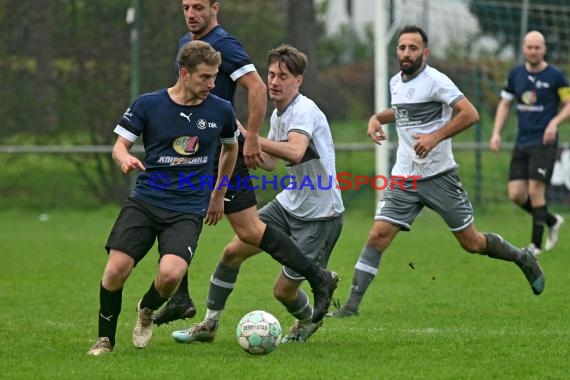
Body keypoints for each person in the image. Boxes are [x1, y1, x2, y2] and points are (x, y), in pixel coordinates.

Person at [328, 25, 546, 319]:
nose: (406, 53)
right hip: (404, 176)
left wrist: (434, 138)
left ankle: (522, 257)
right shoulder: (395, 82)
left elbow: (470, 114)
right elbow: (402, 110)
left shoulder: (436, 81)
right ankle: (351, 306)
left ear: (425, 53)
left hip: (440, 177)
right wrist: (376, 117)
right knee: (378, 234)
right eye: (402, 47)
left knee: (472, 243)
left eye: (413, 48)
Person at [153, 0, 338, 327]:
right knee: (205, 233)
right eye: (186, 7)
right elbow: (268, 163)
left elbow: (291, 148)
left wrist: (248, 137)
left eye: (198, 6)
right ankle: (195, 312)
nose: (191, 13)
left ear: (214, 7)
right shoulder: (189, 46)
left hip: (318, 211)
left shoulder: (225, 45)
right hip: (211, 156)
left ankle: (316, 288)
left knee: (277, 280)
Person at [87, 40, 239, 356]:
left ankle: (147, 309)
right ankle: (105, 340)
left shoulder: (221, 109)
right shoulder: (148, 104)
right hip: (145, 201)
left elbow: (230, 148)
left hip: (187, 208)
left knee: (170, 275)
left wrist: (219, 192)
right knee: (116, 270)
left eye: (215, 77)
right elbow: (119, 145)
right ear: (184, 73)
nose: (212, 84)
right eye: (205, 77)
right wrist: (123, 159)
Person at [490, 30, 570, 255]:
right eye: (529, 47)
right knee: (516, 194)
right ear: (524, 48)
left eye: (537, 47)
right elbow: (505, 104)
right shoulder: (516, 75)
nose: (533, 51)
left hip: (544, 142)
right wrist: (496, 132)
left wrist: (554, 123)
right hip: (522, 141)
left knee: (536, 189)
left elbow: (568, 103)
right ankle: (552, 220)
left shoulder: (556, 76)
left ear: (544, 49)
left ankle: (534, 245)